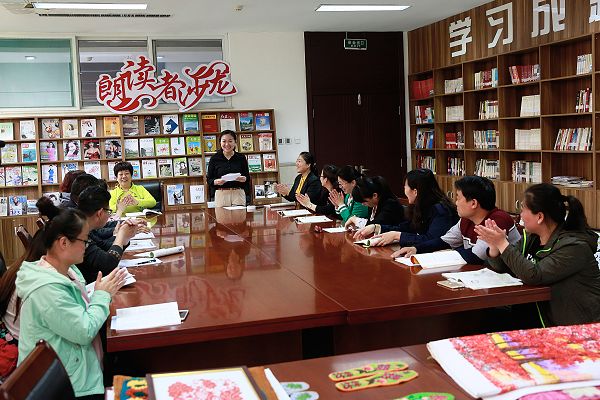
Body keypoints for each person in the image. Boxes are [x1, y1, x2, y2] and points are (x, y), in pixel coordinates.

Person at [15, 206, 128, 398]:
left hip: (78, 367)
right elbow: (84, 331)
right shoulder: (46, 288)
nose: (86, 246)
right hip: (69, 386)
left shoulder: (68, 270)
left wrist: (102, 292)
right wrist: (102, 295)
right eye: (84, 240)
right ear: (64, 243)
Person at [475, 183, 600, 326]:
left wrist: (502, 243)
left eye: (523, 208)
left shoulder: (574, 247)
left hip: (573, 327)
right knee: (483, 318)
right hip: (533, 314)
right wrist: (495, 247)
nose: (520, 215)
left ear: (539, 217)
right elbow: (504, 266)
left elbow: (534, 275)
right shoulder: (532, 238)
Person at [393, 175, 520, 264]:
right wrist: (417, 249)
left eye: (458, 198)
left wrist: (436, 257)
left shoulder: (497, 221)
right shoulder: (467, 219)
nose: (456, 202)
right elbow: (445, 240)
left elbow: (476, 256)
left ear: (473, 203)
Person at [39, 187, 139, 284]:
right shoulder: (76, 229)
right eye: (85, 241)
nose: (86, 246)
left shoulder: (79, 226)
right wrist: (121, 236)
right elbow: (106, 264)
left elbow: (101, 246)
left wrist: (124, 237)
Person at [355, 168, 458, 246]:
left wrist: (397, 236)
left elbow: (432, 240)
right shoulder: (420, 206)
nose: (404, 189)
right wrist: (377, 227)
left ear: (415, 191)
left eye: (405, 186)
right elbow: (408, 227)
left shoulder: (441, 210)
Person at [207, 130, 251, 207]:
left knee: (239, 214)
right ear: (220, 142)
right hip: (221, 194)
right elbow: (209, 179)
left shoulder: (241, 158)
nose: (227, 144)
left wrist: (244, 179)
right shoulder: (214, 158)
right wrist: (216, 182)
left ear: (235, 142)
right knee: (222, 215)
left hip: (238, 193)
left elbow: (247, 177)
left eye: (230, 141)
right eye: (224, 141)